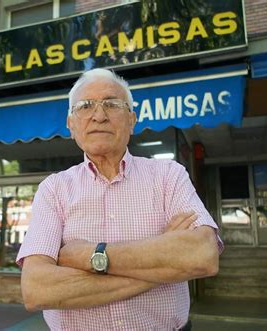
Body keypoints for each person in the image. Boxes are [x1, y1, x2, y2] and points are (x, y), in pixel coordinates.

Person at [16, 68, 223, 331]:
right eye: (85, 106)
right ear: (71, 124)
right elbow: (37, 289)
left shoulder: (168, 175)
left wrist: (89, 256)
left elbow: (203, 255)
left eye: (112, 104)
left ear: (132, 120)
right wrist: (166, 266)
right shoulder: (54, 189)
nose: (99, 116)